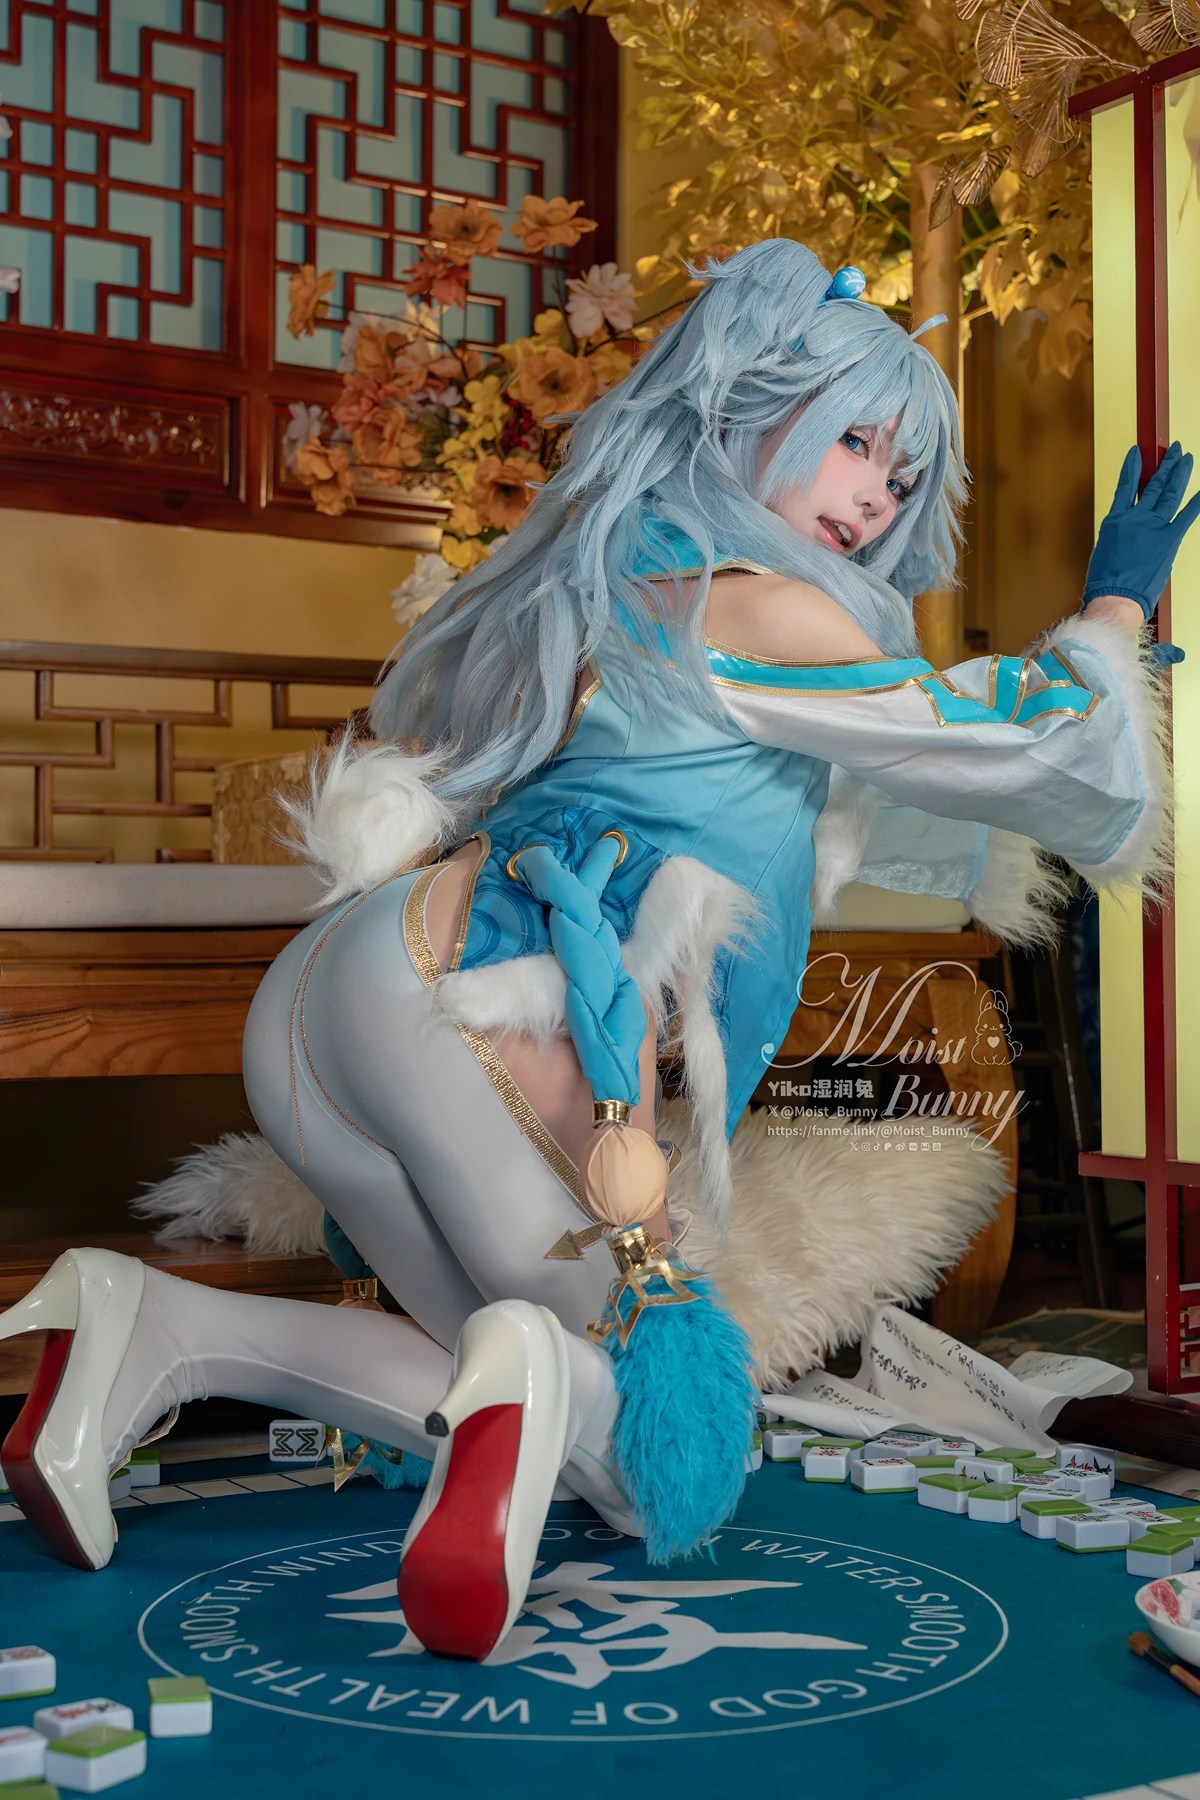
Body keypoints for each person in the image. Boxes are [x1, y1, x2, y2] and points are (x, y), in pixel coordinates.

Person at [1, 240, 1193, 1665]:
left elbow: (854, 793)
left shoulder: (606, 581)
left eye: (905, 469)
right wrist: (1112, 617)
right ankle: (535, 1374)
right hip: (479, 1006)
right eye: (854, 439)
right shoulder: (771, 608)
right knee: (653, 1457)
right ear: (746, 413)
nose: (879, 494)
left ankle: (152, 1328)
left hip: (333, 996)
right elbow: (1008, 742)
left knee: (478, 1368)